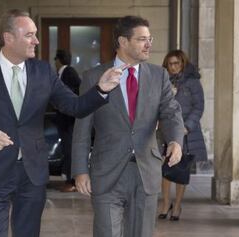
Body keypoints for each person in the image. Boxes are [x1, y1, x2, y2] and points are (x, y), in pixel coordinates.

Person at [0, 9, 123, 237]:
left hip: (32, 172)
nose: (37, 40)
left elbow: (75, 107)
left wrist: (101, 90)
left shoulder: (43, 71)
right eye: (29, 35)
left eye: (35, 34)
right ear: (8, 38)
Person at [72, 15, 185, 237]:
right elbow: (82, 127)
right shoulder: (94, 77)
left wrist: (175, 140)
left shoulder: (158, 75)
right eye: (142, 39)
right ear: (123, 42)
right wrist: (79, 170)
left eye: (150, 38)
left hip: (146, 171)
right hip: (107, 171)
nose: (149, 44)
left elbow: (171, 112)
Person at [158, 49, 207, 221]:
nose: (173, 67)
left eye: (176, 63)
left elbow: (199, 107)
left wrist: (188, 126)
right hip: (166, 131)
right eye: (170, 64)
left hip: (186, 132)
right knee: (165, 169)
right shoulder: (163, 81)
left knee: (181, 170)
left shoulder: (192, 83)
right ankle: (165, 203)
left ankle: (177, 205)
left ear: (183, 63)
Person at [54, 49, 81, 192]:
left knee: (70, 148)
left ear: (59, 60)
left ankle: (73, 181)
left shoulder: (69, 72)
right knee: (66, 148)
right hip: (64, 119)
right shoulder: (64, 73)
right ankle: (69, 179)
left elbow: (73, 93)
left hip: (69, 119)